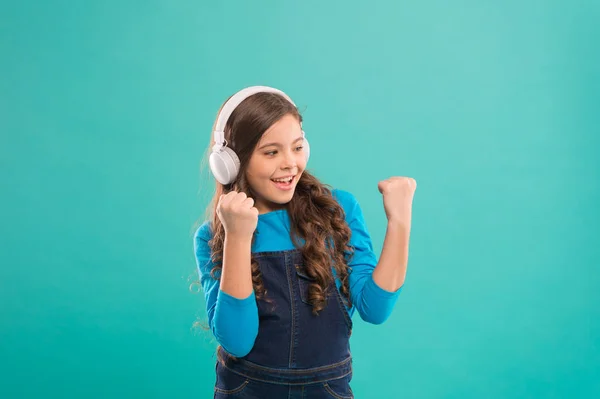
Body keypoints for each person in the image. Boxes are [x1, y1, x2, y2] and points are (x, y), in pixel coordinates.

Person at [193, 85, 417, 398]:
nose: (290, 163)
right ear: (231, 161)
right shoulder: (213, 235)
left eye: (297, 147)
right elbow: (237, 340)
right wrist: (238, 238)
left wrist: (399, 221)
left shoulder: (338, 210)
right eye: (271, 152)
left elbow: (374, 308)